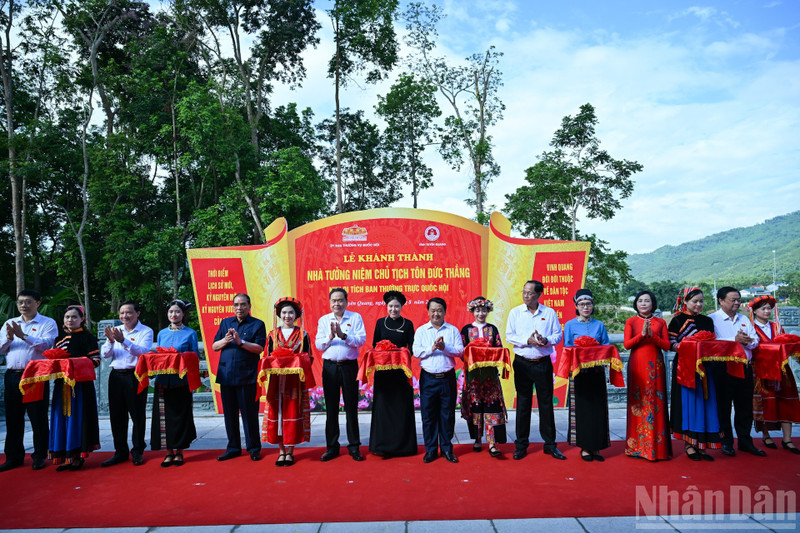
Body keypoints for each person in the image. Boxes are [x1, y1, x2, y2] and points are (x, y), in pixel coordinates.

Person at [505, 280, 566, 461]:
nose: (526, 296)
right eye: (524, 292)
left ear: (539, 295)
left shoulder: (549, 313)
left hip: (542, 363)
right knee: (523, 404)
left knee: (545, 403)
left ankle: (550, 445)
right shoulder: (515, 312)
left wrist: (545, 340)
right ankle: (521, 445)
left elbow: (557, 335)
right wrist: (528, 340)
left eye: (530, 293)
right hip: (523, 363)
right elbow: (510, 336)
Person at [0, 289, 58, 471]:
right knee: (13, 417)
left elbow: (46, 345)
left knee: (37, 416)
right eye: (20, 302)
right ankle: (13, 456)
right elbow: (1, 349)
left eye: (28, 302)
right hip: (12, 375)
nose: (23, 305)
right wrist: (9, 338)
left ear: (38, 303)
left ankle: (40, 455)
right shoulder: (10, 323)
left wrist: (23, 335)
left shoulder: (47, 323)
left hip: (35, 375)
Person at [710, 286, 765, 457]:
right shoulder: (712, 319)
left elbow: (755, 340)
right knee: (723, 406)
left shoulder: (744, 319)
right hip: (723, 367)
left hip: (744, 366)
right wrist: (734, 341)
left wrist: (747, 341)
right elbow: (712, 344)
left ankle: (745, 441)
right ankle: (726, 441)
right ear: (721, 300)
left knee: (744, 406)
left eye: (738, 299)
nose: (736, 303)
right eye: (732, 300)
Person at [668, 287, 721, 461]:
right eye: (694, 301)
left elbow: (713, 342)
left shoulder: (707, 321)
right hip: (685, 367)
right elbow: (671, 343)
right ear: (685, 301)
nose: (698, 304)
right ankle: (689, 444)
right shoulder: (677, 321)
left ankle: (702, 444)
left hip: (706, 367)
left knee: (706, 404)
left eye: (701, 301)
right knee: (689, 404)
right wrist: (687, 346)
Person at [212, 293, 266, 462]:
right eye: (236, 305)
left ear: (249, 306)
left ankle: (254, 448)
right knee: (230, 414)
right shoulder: (226, 323)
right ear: (233, 306)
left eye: (243, 304)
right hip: (226, 375)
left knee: (250, 414)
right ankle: (233, 447)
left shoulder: (257, 324)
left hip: (247, 376)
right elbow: (215, 346)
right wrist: (226, 340)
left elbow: (259, 348)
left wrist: (240, 341)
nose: (239, 308)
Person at [315, 287, 367, 462]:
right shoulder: (324, 320)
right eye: (334, 301)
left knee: (351, 407)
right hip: (330, 368)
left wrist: (343, 335)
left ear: (346, 301)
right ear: (329, 303)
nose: (337, 303)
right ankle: (332, 447)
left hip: (349, 367)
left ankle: (354, 446)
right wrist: (331, 336)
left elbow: (361, 340)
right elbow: (319, 345)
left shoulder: (355, 317)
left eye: (340, 300)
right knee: (331, 408)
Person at [100, 301, 154, 467]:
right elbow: (105, 355)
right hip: (116, 376)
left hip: (135, 376)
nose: (125, 316)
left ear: (137, 313)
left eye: (129, 312)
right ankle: (120, 451)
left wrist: (124, 341)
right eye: (122, 313)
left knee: (137, 415)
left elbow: (143, 352)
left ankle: (137, 451)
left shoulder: (146, 331)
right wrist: (110, 341)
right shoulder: (117, 331)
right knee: (117, 416)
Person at [49, 305, 101, 471]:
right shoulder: (59, 339)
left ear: (82, 320)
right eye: (67, 317)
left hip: (80, 387)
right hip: (61, 386)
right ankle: (65, 456)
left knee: (78, 419)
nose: (70, 320)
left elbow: (96, 361)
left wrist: (73, 364)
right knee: (61, 419)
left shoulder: (87, 337)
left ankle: (77, 457)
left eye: (74, 317)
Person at [412, 297, 464, 463]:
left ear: (445, 312)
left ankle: (447, 449)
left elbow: (459, 351)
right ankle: (431, 450)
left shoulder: (452, 330)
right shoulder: (421, 331)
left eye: (439, 310)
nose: (436, 313)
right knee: (428, 416)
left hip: (447, 378)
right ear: (428, 312)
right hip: (428, 378)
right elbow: (417, 352)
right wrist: (432, 348)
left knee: (447, 415)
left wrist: (445, 348)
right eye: (433, 310)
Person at [623, 290, 672, 461]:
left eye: (647, 301)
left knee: (656, 402)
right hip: (637, 364)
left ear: (653, 304)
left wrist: (652, 338)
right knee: (638, 402)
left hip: (655, 365)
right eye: (640, 301)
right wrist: (641, 335)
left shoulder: (660, 322)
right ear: (636, 304)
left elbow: (666, 346)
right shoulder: (631, 321)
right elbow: (627, 345)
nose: (643, 304)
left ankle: (658, 448)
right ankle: (636, 447)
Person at [563, 289, 612, 462]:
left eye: (589, 304)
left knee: (598, 408)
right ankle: (584, 446)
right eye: (582, 304)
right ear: (576, 306)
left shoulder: (599, 325)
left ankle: (597, 446)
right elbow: (567, 347)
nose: (586, 307)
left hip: (597, 371)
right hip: (579, 373)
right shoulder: (569, 325)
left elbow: (606, 345)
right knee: (582, 409)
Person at [263, 297, 312, 467]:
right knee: (278, 413)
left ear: (296, 315)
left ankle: (290, 451)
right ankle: (281, 451)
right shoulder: (272, 335)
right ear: (279, 315)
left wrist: (296, 362)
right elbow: (267, 357)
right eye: (284, 312)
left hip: (294, 382)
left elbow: (309, 358)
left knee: (292, 413)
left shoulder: (302, 334)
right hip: (276, 381)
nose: (287, 316)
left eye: (291, 312)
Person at [749, 295, 800, 454]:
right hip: (761, 370)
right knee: (764, 402)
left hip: (782, 370)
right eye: (763, 308)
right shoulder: (751, 328)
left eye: (769, 308)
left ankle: (787, 439)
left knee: (787, 401)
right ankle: (766, 434)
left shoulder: (776, 327)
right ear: (755, 311)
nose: (767, 311)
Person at [369, 290, 417, 458]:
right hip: (383, 374)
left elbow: (412, 347)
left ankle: (404, 447)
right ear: (386, 306)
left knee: (401, 407)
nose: (394, 309)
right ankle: (382, 446)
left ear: (402, 307)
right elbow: (375, 345)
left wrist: (401, 354)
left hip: (401, 373)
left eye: (397, 306)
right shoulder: (380, 323)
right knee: (384, 407)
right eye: (391, 306)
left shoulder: (408, 324)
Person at [152, 299, 198, 467]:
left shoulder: (190, 333)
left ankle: (180, 452)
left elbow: (194, 357)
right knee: (164, 417)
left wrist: (180, 358)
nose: (174, 315)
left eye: (177, 312)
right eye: (171, 312)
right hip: (162, 380)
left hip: (182, 381)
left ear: (183, 314)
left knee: (181, 416)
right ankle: (168, 452)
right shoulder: (162, 333)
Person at [460, 296, 507, 458]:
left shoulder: (492, 329)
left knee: (492, 406)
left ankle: (492, 442)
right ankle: (478, 439)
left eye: (484, 310)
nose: (481, 313)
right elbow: (461, 352)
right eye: (478, 310)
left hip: (490, 376)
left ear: (488, 311)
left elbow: (499, 348)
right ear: (473, 311)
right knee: (475, 407)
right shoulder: (466, 329)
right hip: (473, 377)